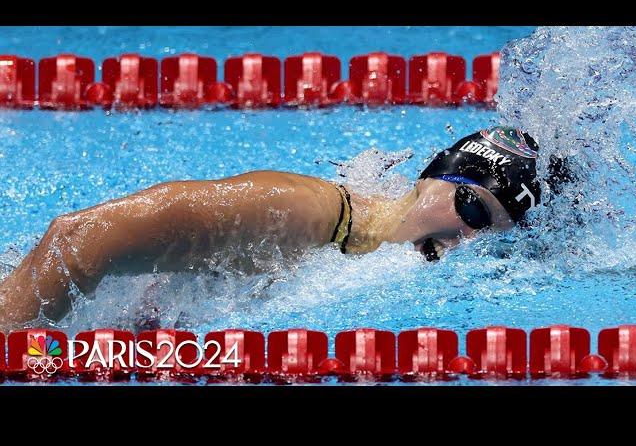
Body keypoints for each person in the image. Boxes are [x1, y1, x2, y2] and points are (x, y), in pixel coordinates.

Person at [0, 127, 544, 331]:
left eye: (492, 231)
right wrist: (13, 353)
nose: (468, 237)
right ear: (431, 179)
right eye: (471, 208)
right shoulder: (299, 212)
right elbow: (76, 240)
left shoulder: (358, 248)